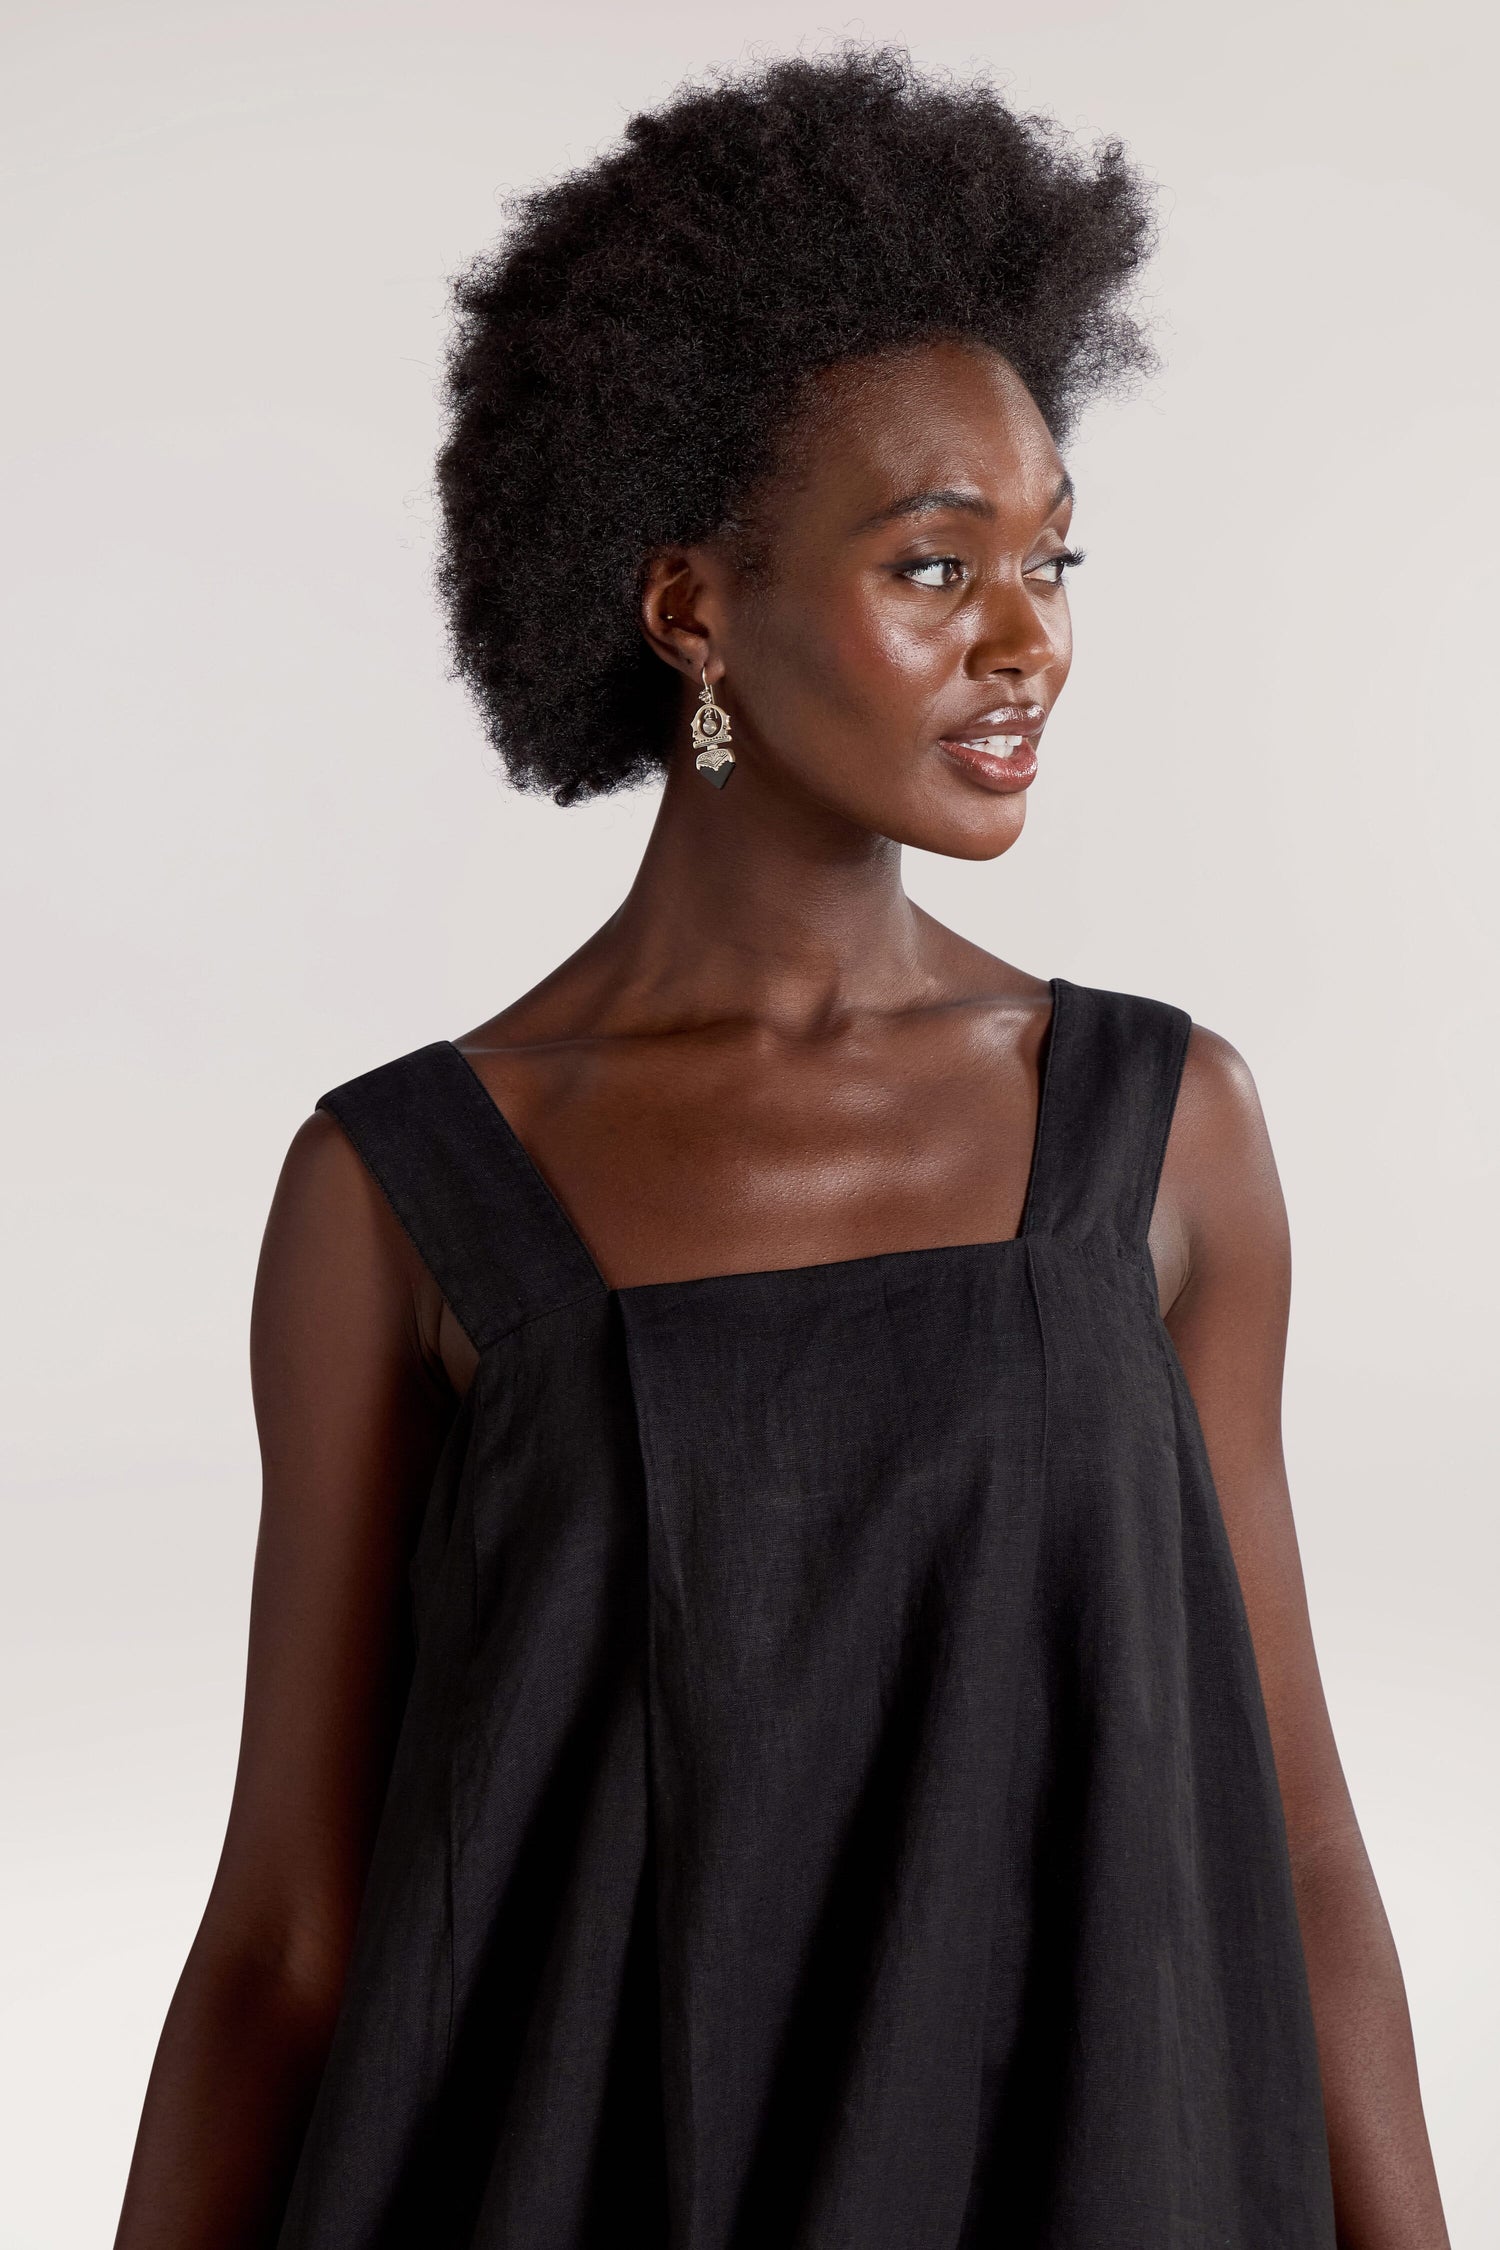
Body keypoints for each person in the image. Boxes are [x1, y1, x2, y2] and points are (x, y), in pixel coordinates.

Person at [114, 48, 1451, 2250]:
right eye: (939, 567)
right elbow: (288, 1935)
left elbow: (1293, 1842)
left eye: (1051, 556)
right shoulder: (406, 1192)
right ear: (691, 614)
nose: (1031, 641)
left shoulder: (1163, 1131)